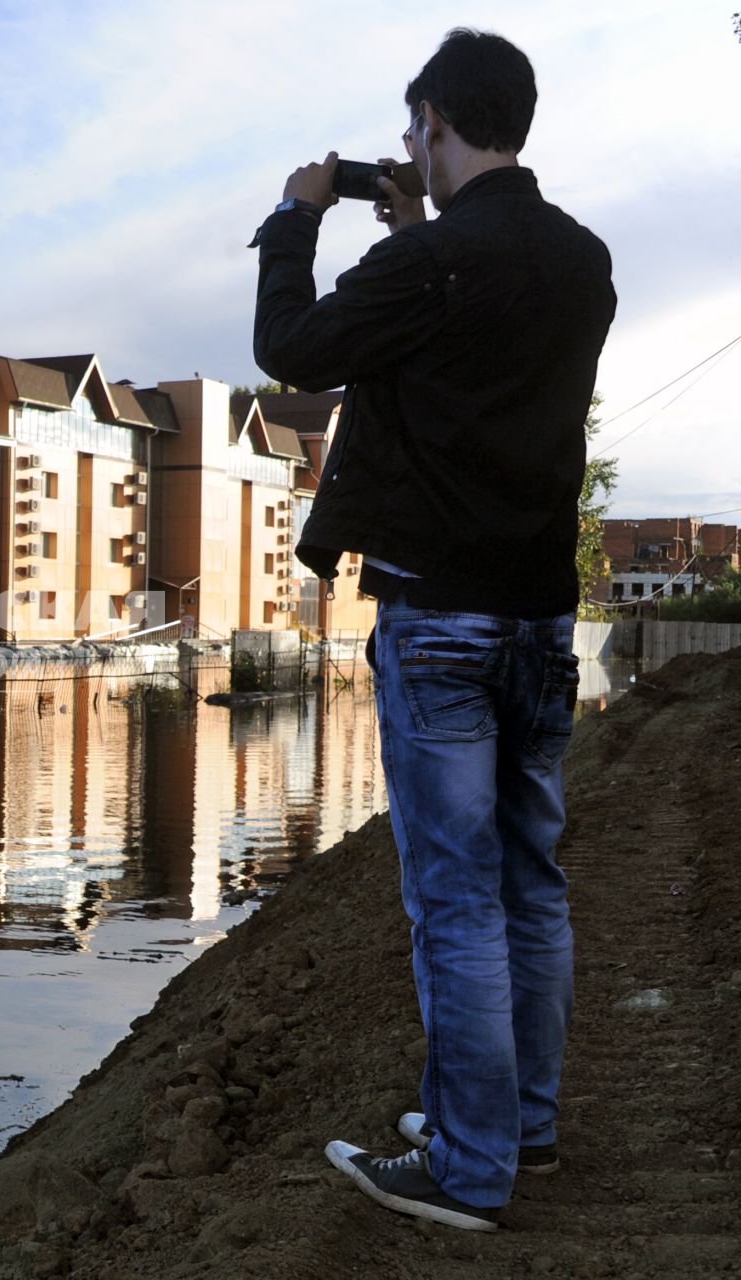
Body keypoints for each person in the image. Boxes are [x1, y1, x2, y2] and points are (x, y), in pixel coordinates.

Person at [250, 29, 616, 1231]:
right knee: (531, 882)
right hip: (539, 621)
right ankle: (528, 1128)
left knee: (454, 901)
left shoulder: (436, 263)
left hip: (441, 625)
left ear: (439, 125)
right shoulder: (585, 262)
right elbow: (475, 341)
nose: (410, 148)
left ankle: (467, 1166)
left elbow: (289, 352)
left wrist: (301, 213)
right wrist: (413, 229)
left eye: (417, 132)